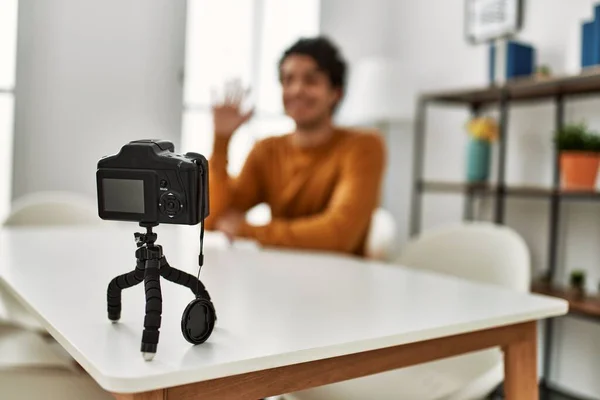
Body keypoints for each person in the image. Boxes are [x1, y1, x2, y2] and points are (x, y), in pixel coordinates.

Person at [205, 36, 386, 257]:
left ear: (335, 93)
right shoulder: (267, 149)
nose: (297, 90)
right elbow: (212, 219)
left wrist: (245, 230)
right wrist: (221, 141)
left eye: (311, 80)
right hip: (280, 276)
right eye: (288, 80)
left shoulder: (363, 147)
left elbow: (339, 236)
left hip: (341, 282)